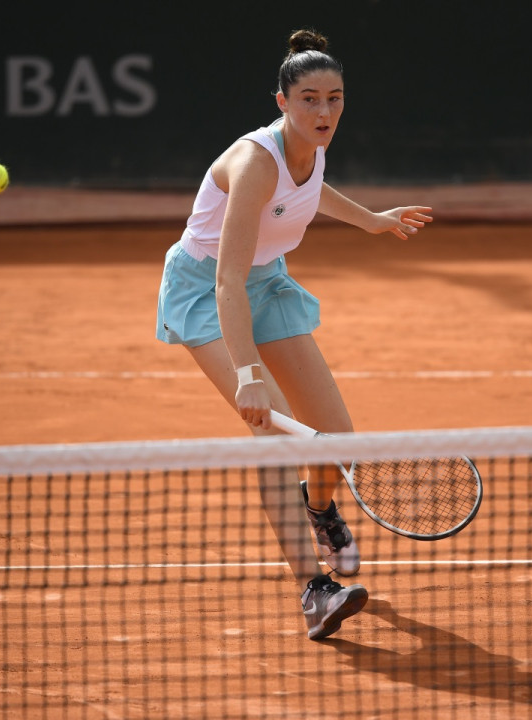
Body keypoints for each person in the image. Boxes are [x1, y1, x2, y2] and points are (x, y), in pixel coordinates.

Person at [155, 28, 432, 640]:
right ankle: (315, 591)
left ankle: (320, 506)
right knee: (275, 437)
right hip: (209, 292)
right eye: (309, 98)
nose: (324, 111)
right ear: (281, 100)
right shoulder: (255, 161)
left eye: (334, 98)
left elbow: (310, 192)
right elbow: (227, 280)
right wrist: (249, 375)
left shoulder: (313, 145)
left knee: (337, 438)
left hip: (267, 283)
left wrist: (372, 221)